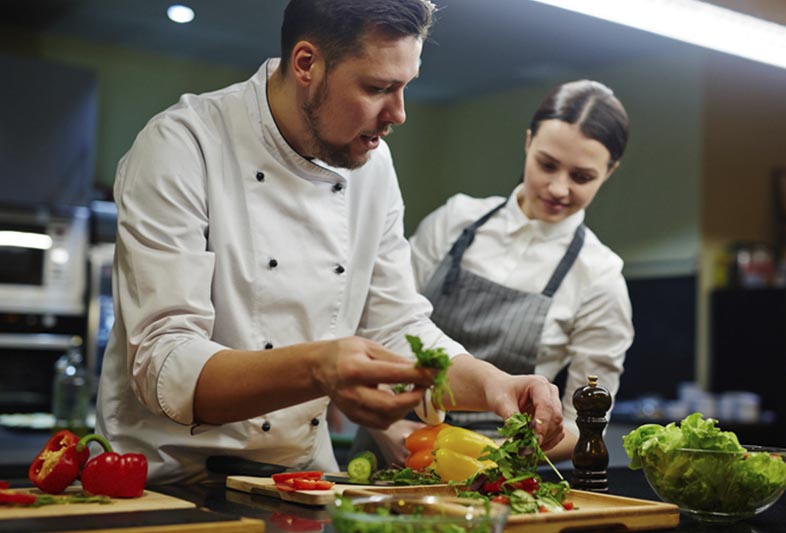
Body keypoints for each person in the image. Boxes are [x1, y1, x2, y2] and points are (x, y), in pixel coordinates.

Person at [95, 0, 564, 484]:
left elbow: (396, 326)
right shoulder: (182, 146)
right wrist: (319, 368)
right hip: (168, 482)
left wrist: (494, 384)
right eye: (378, 87)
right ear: (306, 64)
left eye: (406, 86)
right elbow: (166, 362)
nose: (399, 114)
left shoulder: (373, 165)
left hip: (300, 481)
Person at [354, 79, 633, 466]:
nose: (558, 188)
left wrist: (492, 456)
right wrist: (384, 428)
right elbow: (376, 324)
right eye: (547, 164)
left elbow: (584, 424)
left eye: (581, 177)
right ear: (528, 142)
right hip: (388, 441)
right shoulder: (454, 221)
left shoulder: (600, 278)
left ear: (610, 171)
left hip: (491, 471)